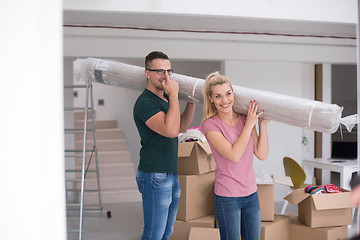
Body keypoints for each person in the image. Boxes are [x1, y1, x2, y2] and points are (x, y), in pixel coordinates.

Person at [133, 51, 196, 240]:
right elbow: (169, 131)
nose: (166, 76)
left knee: (166, 233)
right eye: (160, 71)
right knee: (153, 234)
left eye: (169, 71)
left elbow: (181, 127)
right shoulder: (145, 102)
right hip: (154, 176)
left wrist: (192, 101)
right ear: (147, 73)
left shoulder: (167, 100)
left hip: (170, 172)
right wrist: (175, 95)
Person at [201, 72, 269, 240]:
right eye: (218, 96)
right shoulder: (210, 125)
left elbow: (262, 154)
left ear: (233, 93)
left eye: (228, 94)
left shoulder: (246, 120)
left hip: (251, 194)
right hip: (227, 196)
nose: (225, 101)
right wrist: (249, 125)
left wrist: (262, 125)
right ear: (211, 99)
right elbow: (234, 155)